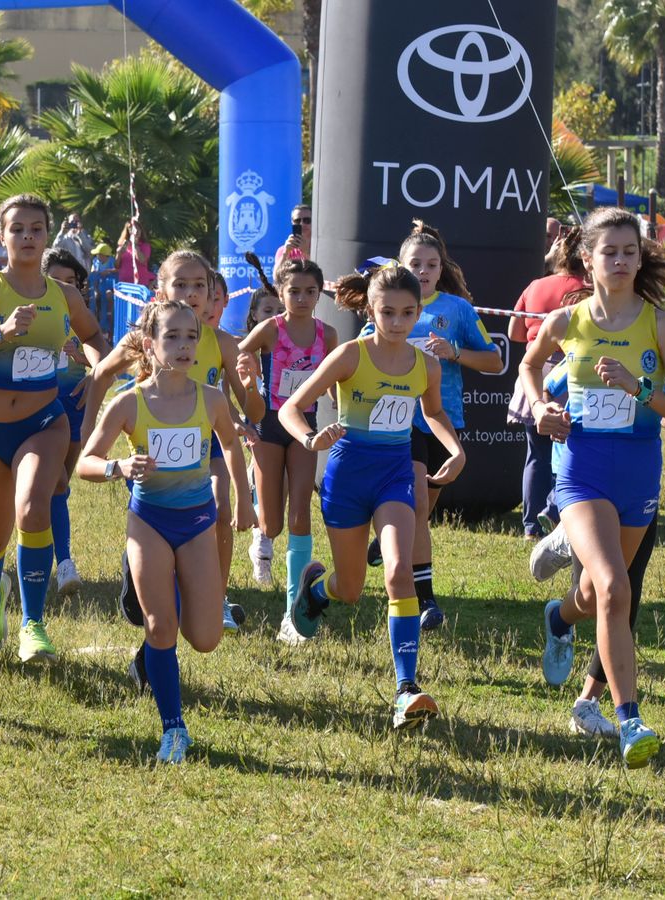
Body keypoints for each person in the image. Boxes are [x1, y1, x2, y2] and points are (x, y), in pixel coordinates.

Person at [520, 207, 665, 768]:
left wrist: (640, 389)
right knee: (617, 588)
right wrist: (542, 407)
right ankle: (630, 721)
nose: (621, 260)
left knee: (600, 596)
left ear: (640, 256)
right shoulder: (566, 322)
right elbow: (527, 369)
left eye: (630, 251)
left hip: (639, 471)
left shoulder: (660, 326)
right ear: (588, 260)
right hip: (581, 468)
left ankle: (560, 617)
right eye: (610, 252)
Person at [277, 262, 464, 727]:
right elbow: (291, 407)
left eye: (407, 313)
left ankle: (406, 688)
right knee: (352, 588)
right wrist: (308, 439)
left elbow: (434, 412)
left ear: (420, 311)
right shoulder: (350, 356)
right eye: (388, 313)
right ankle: (317, 590)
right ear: (371, 310)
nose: (398, 323)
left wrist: (456, 450)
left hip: (396, 476)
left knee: (400, 572)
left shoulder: (427, 365)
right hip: (346, 478)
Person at [80, 299, 253, 762]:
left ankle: (174, 588)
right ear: (150, 346)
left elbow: (232, 447)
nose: (182, 345)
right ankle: (173, 728)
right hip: (150, 521)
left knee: (207, 638)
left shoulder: (211, 399)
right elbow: (85, 463)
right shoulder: (129, 404)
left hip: (197, 523)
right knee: (161, 628)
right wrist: (118, 465)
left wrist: (244, 499)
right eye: (171, 337)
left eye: (191, 337)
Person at [0, 194, 106, 662]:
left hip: (43, 422)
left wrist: (95, 366)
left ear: (48, 234)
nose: (28, 236)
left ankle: (33, 625)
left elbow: (94, 336)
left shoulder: (64, 296)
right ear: (2, 235)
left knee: (34, 508)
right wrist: (2, 332)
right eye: (18, 229)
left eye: (37, 228)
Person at [87, 251, 263, 630]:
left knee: (220, 507)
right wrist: (84, 430)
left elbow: (254, 413)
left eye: (199, 285)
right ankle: (139, 562)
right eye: (180, 284)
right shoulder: (144, 339)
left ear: (212, 292)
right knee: (157, 524)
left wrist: (251, 387)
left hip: (211, 439)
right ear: (161, 291)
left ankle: (216, 598)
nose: (190, 292)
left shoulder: (223, 343)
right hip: (153, 449)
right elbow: (100, 373)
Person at [365, 222, 500, 632]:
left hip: (443, 419)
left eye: (431, 264)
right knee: (419, 506)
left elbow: (494, 360)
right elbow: (362, 354)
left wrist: (454, 352)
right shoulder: (386, 305)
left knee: (421, 510)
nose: (423, 271)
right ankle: (425, 600)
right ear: (401, 267)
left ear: (442, 269)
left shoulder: (456, 310)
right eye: (415, 264)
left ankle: (393, 538)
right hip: (398, 422)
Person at [239, 253, 337, 593]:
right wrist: (247, 389)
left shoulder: (329, 335)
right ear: (281, 293)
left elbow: (338, 381)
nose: (302, 298)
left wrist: (340, 403)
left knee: (301, 509)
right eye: (294, 291)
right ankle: (259, 542)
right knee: (271, 523)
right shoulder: (270, 329)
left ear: (320, 293)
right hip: (267, 425)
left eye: (310, 291)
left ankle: (296, 591)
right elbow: (236, 355)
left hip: (304, 425)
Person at [41, 248, 112, 597]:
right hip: (35, 403)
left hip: (73, 403)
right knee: (53, 482)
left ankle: (52, 546)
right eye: (56, 280)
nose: (64, 287)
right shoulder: (32, 308)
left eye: (70, 282)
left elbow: (98, 347)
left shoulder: (78, 316)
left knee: (60, 485)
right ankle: (63, 562)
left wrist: (94, 369)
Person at [510, 227, 587, 540]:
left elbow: (515, 332)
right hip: (572, 371)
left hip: (535, 372)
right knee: (573, 450)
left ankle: (531, 525)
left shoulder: (536, 285)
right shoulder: (592, 290)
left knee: (536, 455)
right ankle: (557, 512)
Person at [115, 220, 152, 287]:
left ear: (141, 231)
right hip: (124, 283)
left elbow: (142, 260)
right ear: (128, 232)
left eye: (138, 229)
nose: (136, 231)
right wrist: (119, 253)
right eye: (133, 229)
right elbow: (117, 266)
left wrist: (135, 246)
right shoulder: (122, 245)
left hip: (140, 284)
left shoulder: (145, 246)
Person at [275, 205, 311, 270]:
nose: (302, 224)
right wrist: (285, 254)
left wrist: (306, 253)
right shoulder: (284, 250)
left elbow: (323, 273)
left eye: (307, 220)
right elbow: (277, 277)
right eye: (297, 221)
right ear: (292, 223)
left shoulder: (321, 249)